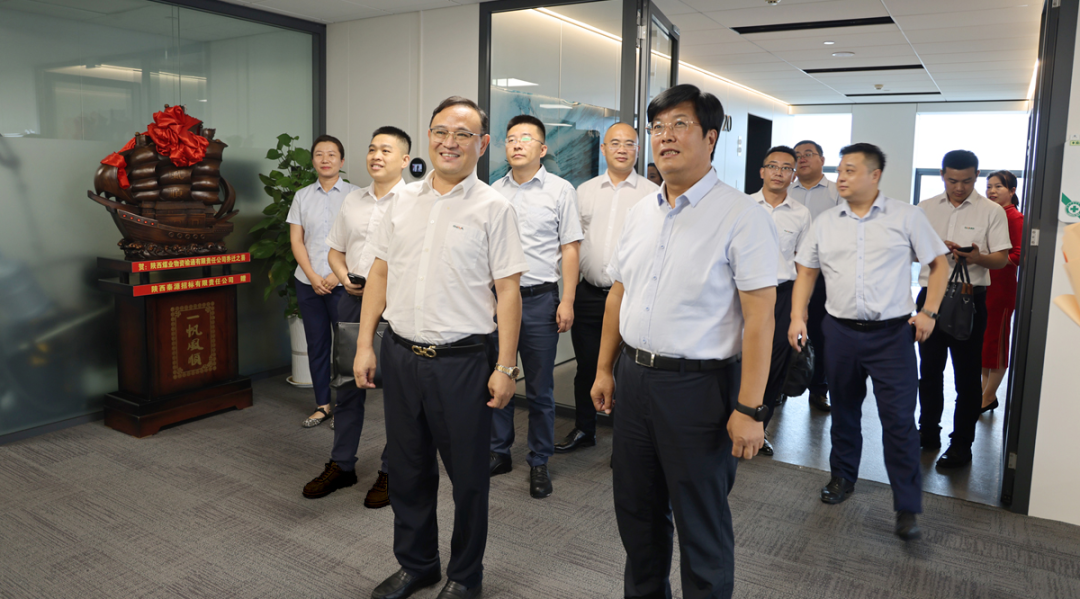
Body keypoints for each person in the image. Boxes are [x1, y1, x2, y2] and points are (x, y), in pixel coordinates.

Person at [592, 84, 778, 599]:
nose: (665, 136)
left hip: (699, 390)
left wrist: (750, 409)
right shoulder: (641, 212)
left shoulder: (742, 215)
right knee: (637, 514)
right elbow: (619, 295)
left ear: (710, 138)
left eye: (680, 124)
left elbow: (760, 320)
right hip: (634, 380)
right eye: (657, 127)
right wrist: (605, 368)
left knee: (701, 524)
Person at [353, 96, 528, 599]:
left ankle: (465, 576)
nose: (449, 142)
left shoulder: (495, 208)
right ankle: (418, 565)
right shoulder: (402, 201)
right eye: (440, 131)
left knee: (469, 478)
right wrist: (365, 345)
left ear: (482, 144)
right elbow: (380, 274)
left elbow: (508, 292)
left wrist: (505, 367)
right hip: (400, 355)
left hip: (462, 363)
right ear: (429, 136)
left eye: (463, 134)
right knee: (407, 470)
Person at [789, 142, 949, 541]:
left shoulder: (907, 216)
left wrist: (929, 311)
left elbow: (939, 264)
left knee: (899, 421)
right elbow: (806, 270)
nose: (841, 177)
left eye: (850, 170)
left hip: (892, 336)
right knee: (844, 411)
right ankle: (843, 477)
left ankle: (906, 505)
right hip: (840, 332)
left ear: (874, 175)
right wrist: (798, 315)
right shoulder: (826, 222)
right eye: (840, 170)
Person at [300, 126, 410, 508]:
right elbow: (335, 250)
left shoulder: (415, 203)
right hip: (351, 301)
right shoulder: (353, 200)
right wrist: (345, 277)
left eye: (386, 150)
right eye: (372, 149)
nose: (376, 156)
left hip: (397, 307)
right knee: (347, 386)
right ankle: (342, 464)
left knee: (398, 394)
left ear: (404, 159)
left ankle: (392, 470)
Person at [489, 115, 583, 499]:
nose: (517, 144)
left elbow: (570, 248)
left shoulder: (561, 190)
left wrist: (567, 299)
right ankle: (499, 451)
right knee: (499, 376)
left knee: (541, 388)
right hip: (498, 301)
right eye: (511, 138)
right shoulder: (494, 191)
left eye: (526, 138)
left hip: (540, 299)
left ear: (542, 149)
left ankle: (539, 460)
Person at [556, 122, 659, 454]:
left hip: (631, 297)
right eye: (615, 143)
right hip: (588, 293)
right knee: (587, 367)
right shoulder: (584, 191)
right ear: (603, 149)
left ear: (638, 150)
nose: (622, 149)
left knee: (627, 371)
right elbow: (572, 243)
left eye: (629, 143)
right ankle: (584, 429)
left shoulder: (652, 194)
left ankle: (626, 441)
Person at [916, 150, 1011, 469]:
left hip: (970, 301)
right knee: (929, 372)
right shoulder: (925, 208)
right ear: (942, 174)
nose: (959, 187)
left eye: (967, 181)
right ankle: (927, 432)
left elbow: (1001, 259)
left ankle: (961, 445)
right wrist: (934, 249)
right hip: (930, 299)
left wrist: (977, 257)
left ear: (977, 176)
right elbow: (909, 251)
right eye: (953, 180)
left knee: (967, 377)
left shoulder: (991, 211)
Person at [287, 134, 360, 428]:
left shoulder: (356, 195)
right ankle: (323, 405)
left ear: (341, 161)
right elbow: (297, 240)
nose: (325, 159)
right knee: (316, 344)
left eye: (332, 154)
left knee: (346, 348)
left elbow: (361, 242)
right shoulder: (302, 196)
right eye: (319, 154)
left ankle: (345, 407)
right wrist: (313, 276)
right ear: (313, 161)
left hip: (343, 284)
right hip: (308, 283)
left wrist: (335, 275)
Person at [748, 145, 811, 457]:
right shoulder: (742, 206)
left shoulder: (801, 214)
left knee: (773, 365)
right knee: (736, 359)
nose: (779, 172)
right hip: (743, 295)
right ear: (762, 171)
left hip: (782, 295)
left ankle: (759, 431)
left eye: (786, 168)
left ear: (793, 175)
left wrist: (800, 311)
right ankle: (728, 424)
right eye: (773, 166)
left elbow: (804, 265)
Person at [788, 140, 843, 413]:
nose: (802, 159)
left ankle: (819, 391)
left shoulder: (837, 193)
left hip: (823, 276)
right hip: (787, 273)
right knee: (782, 332)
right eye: (797, 155)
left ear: (822, 159)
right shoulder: (785, 191)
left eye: (808, 154)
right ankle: (781, 387)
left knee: (821, 335)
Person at [982, 170, 1024, 413]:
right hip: (985, 286)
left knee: (996, 343)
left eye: (998, 186)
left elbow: (1018, 255)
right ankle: (983, 393)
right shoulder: (991, 215)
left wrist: (988, 259)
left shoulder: (1014, 217)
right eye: (989, 186)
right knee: (983, 342)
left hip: (1001, 289)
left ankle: (989, 396)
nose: (992, 191)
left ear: (1012, 190)